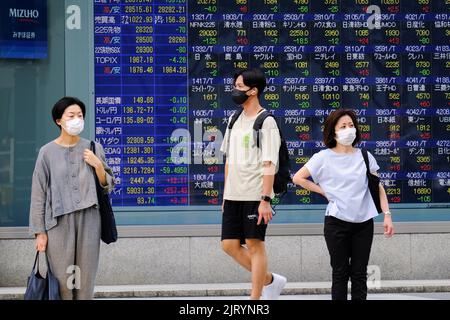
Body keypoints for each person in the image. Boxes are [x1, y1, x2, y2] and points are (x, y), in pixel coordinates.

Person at [292, 108, 394, 300]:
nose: (349, 129)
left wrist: (387, 215)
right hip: (336, 223)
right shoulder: (323, 157)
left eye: (351, 125)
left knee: (359, 274)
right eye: (343, 126)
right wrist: (323, 191)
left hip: (364, 223)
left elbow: (377, 186)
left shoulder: (365, 156)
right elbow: (298, 178)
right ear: (333, 131)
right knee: (339, 273)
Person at [29, 96, 114, 300]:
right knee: (62, 281)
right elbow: (38, 193)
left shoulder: (94, 148)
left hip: (90, 220)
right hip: (58, 223)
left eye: (80, 115)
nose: (77, 119)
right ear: (59, 120)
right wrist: (39, 233)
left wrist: (98, 165)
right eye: (71, 115)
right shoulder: (47, 152)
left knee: (85, 281)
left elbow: (108, 186)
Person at [220, 68, 287, 300]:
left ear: (253, 90)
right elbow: (228, 158)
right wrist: (225, 194)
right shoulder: (234, 118)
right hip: (233, 194)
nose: (235, 91)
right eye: (235, 85)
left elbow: (269, 163)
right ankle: (270, 280)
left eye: (239, 86)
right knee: (228, 245)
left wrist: (265, 199)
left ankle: (255, 298)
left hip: (255, 194)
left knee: (254, 244)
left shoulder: (266, 121)